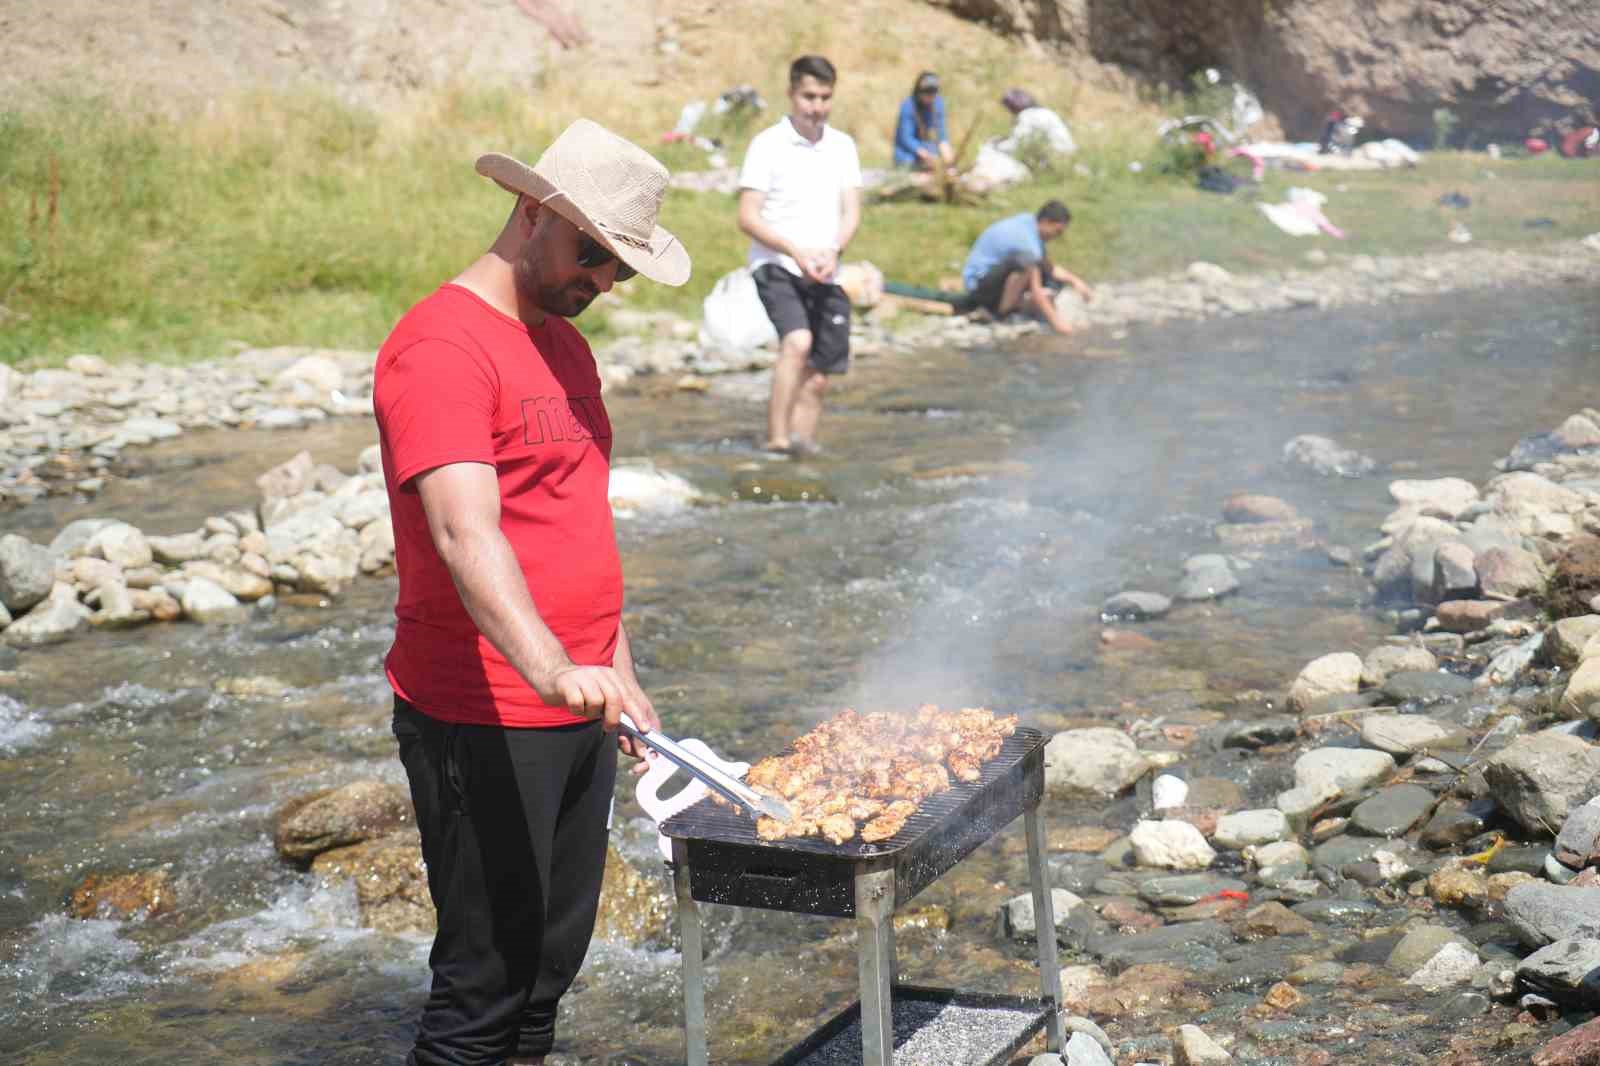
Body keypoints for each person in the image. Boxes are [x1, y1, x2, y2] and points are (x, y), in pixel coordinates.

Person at [372, 118, 690, 1066]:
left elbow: (575, 523)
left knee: (549, 971)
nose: (600, 282)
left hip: (577, 701)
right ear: (531, 211)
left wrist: (615, 675)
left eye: (619, 270)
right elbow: (465, 532)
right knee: (481, 989)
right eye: (592, 253)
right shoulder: (440, 346)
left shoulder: (564, 347)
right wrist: (554, 669)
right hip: (487, 709)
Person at [737, 54, 863, 457]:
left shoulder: (842, 146)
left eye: (826, 97)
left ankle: (801, 451)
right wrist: (794, 250)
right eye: (809, 96)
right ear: (792, 94)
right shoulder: (767, 145)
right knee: (797, 341)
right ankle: (775, 442)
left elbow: (852, 211)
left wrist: (834, 250)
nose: (818, 106)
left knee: (819, 375)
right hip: (777, 264)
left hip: (827, 267)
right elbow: (747, 216)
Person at [961, 200, 1092, 336]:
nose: (1057, 237)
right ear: (1046, 222)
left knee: (1050, 279)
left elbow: (1047, 266)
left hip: (990, 277)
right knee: (1027, 267)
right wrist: (1060, 326)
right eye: (1057, 231)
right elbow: (1037, 291)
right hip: (979, 286)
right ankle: (1001, 314)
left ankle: (1012, 305)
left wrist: (1075, 281)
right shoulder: (1025, 242)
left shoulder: (1028, 222)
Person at [893, 71, 954, 170]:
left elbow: (941, 134)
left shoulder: (938, 104)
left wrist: (947, 154)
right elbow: (906, 138)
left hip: (927, 149)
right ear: (919, 91)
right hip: (908, 154)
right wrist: (925, 155)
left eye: (933, 92)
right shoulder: (908, 106)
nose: (930, 96)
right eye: (927, 92)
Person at [994, 88, 1076, 159]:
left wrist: (997, 146)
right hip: (1067, 153)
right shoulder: (1044, 112)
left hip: (1056, 156)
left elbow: (1018, 143)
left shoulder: (1027, 115)